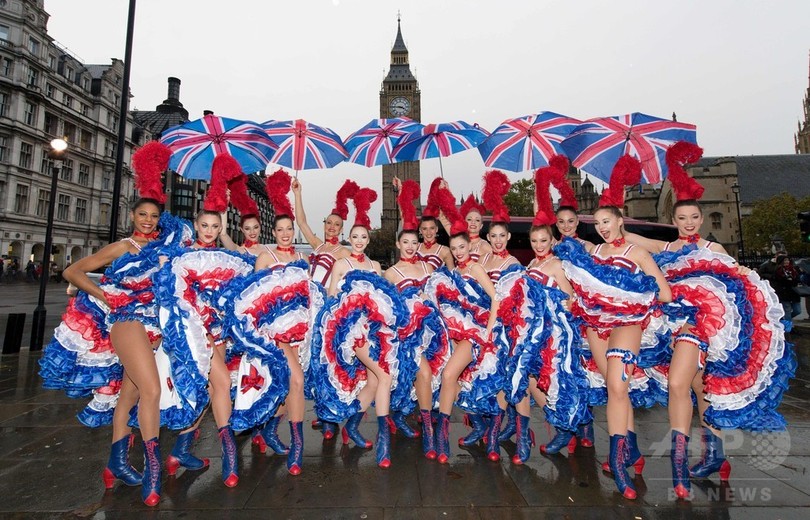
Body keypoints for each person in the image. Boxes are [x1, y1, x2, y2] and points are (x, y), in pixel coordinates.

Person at [556, 155, 672, 500]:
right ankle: (631, 451)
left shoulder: (637, 252)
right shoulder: (594, 252)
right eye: (599, 222)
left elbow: (663, 292)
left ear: (620, 220)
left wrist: (632, 296)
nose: (603, 227)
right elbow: (578, 286)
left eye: (608, 221)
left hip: (627, 325)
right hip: (594, 326)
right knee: (612, 388)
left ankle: (618, 461)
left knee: (619, 388)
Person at [311, 185, 404, 468]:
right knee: (384, 377)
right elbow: (330, 301)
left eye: (364, 236)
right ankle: (384, 444)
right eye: (355, 236)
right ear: (348, 238)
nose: (360, 240)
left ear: (368, 238)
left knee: (375, 381)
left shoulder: (376, 267)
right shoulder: (341, 264)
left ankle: (352, 425)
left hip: (375, 332)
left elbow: (387, 301)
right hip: (351, 334)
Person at [424, 192, 502, 464]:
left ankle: (442, 435)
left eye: (462, 248)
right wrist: (442, 196)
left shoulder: (477, 268)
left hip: (472, 335)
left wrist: (487, 331)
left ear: (470, 246)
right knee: (456, 382)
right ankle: (444, 433)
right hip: (452, 334)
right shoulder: (454, 272)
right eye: (454, 249)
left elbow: (495, 298)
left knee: (448, 376)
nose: (458, 252)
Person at [384, 179, 449, 459]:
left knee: (434, 377)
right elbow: (385, 309)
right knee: (420, 373)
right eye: (405, 242)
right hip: (406, 335)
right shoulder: (390, 273)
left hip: (433, 331)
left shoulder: (427, 264)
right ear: (398, 243)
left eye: (414, 242)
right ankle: (428, 432)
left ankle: (423, 420)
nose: (410, 246)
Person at [775, 256, 802, 320]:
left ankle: (786, 320)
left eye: (787, 260)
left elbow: (798, 278)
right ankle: (789, 327)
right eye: (784, 261)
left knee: (797, 310)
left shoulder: (793, 269)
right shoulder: (778, 270)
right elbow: (778, 281)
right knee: (787, 311)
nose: (787, 262)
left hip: (795, 292)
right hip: (785, 293)